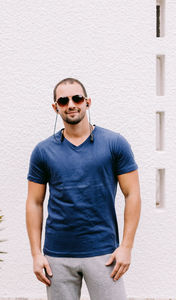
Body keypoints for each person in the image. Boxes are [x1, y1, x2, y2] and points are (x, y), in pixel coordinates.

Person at [26, 77, 141, 300]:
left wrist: (126, 247)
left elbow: (133, 194)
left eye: (77, 98)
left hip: (104, 253)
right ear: (55, 107)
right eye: (63, 100)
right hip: (57, 257)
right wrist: (36, 254)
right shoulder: (42, 151)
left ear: (87, 102)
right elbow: (34, 202)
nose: (71, 104)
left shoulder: (114, 143)